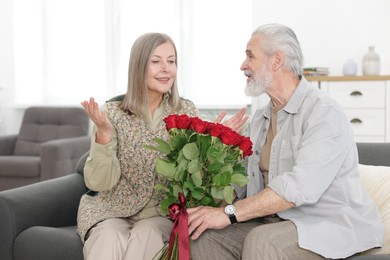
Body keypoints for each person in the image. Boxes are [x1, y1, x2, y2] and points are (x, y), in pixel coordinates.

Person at [187, 23, 384, 259]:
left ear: (277, 60)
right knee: (204, 236)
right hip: (275, 222)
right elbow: (243, 187)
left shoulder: (324, 113)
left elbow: (298, 188)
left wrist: (228, 213)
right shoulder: (261, 118)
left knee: (263, 242)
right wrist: (214, 150)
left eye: (250, 56)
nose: (243, 65)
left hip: (327, 226)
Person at [76, 32, 248, 260]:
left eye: (171, 61)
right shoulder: (112, 113)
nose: (166, 68)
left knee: (147, 236)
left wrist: (212, 145)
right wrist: (104, 135)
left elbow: (194, 178)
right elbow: (99, 183)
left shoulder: (186, 112)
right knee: (108, 237)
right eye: (156, 61)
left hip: (160, 213)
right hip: (111, 209)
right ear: (138, 67)